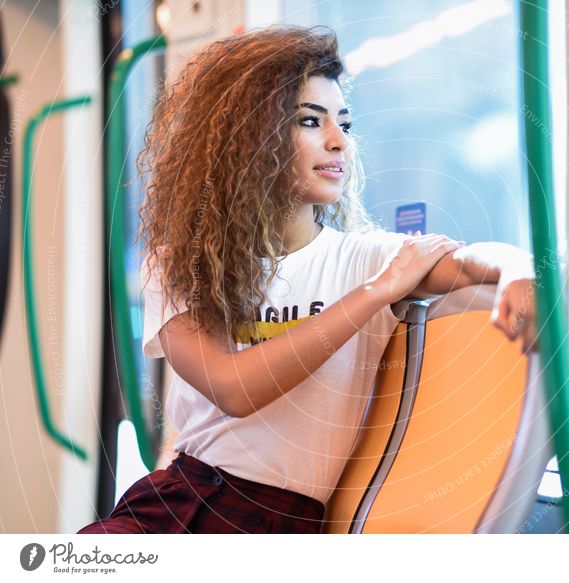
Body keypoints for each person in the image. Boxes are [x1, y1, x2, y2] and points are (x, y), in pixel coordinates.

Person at [78, 24, 536, 534]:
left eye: (345, 122)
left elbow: (474, 262)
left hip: (285, 523)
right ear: (250, 139)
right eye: (309, 122)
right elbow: (232, 389)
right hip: (183, 499)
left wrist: (520, 269)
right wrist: (373, 296)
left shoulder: (368, 257)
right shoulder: (180, 262)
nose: (339, 141)